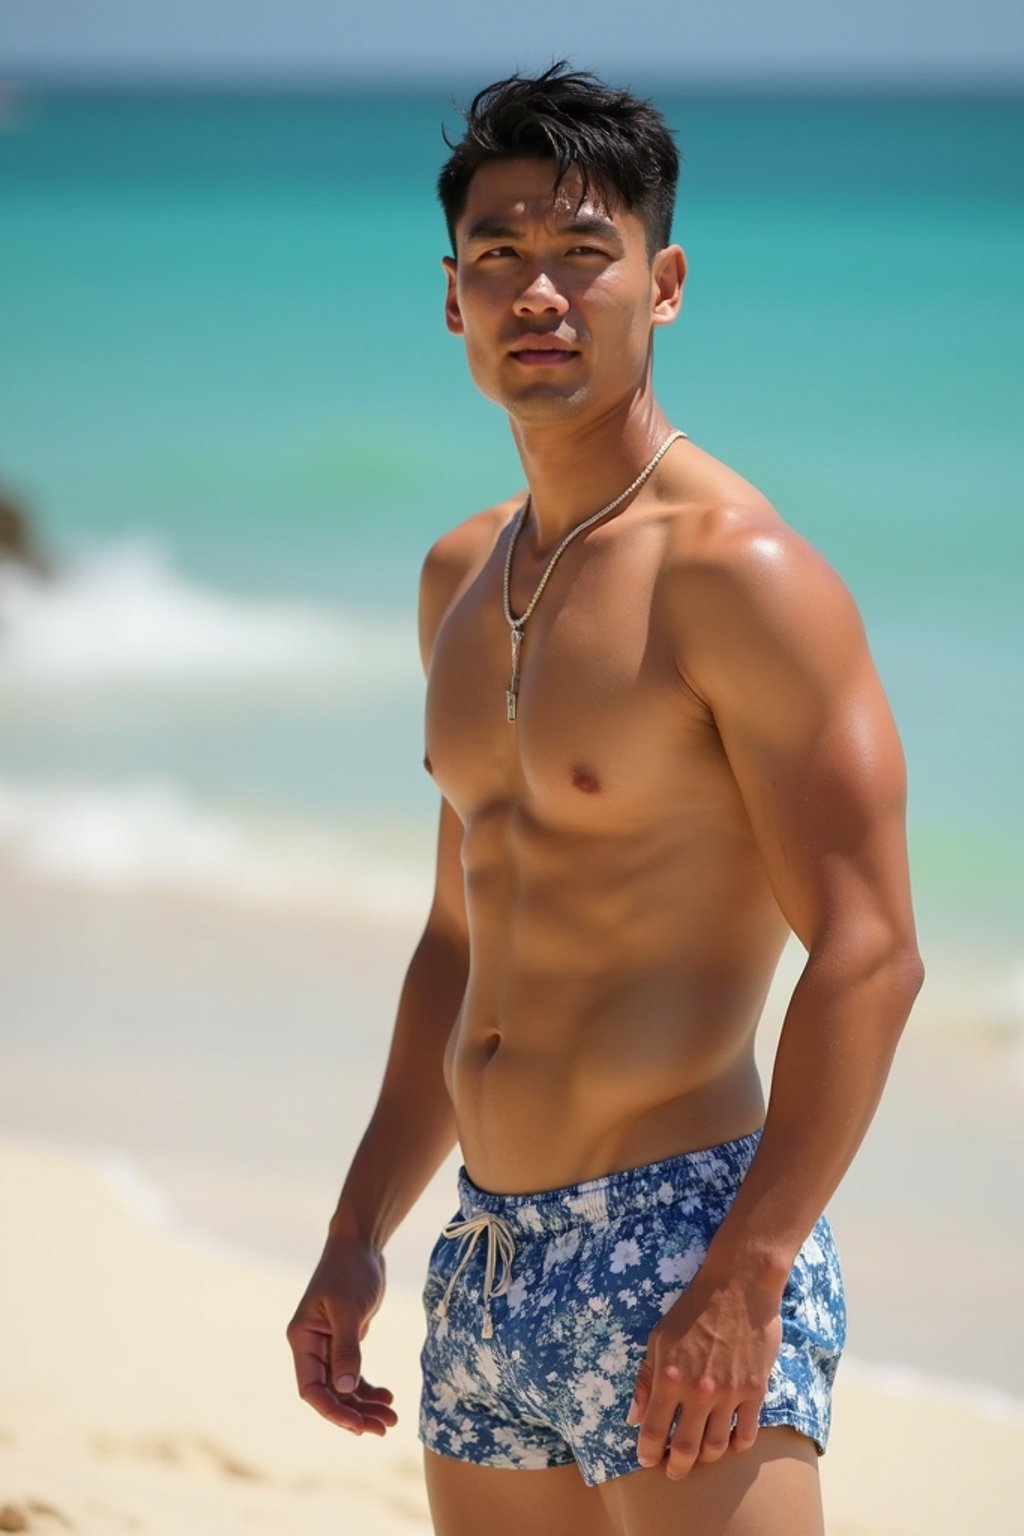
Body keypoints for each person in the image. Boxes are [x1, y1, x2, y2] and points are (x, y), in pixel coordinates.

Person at [287, 63, 924, 1536]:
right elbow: (459, 939)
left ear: (667, 281)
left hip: (682, 1236)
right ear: (454, 300)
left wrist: (748, 1270)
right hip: (488, 1252)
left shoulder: (740, 577)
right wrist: (356, 1233)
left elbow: (873, 950)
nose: (541, 293)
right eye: (500, 256)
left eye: (586, 251)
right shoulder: (461, 577)